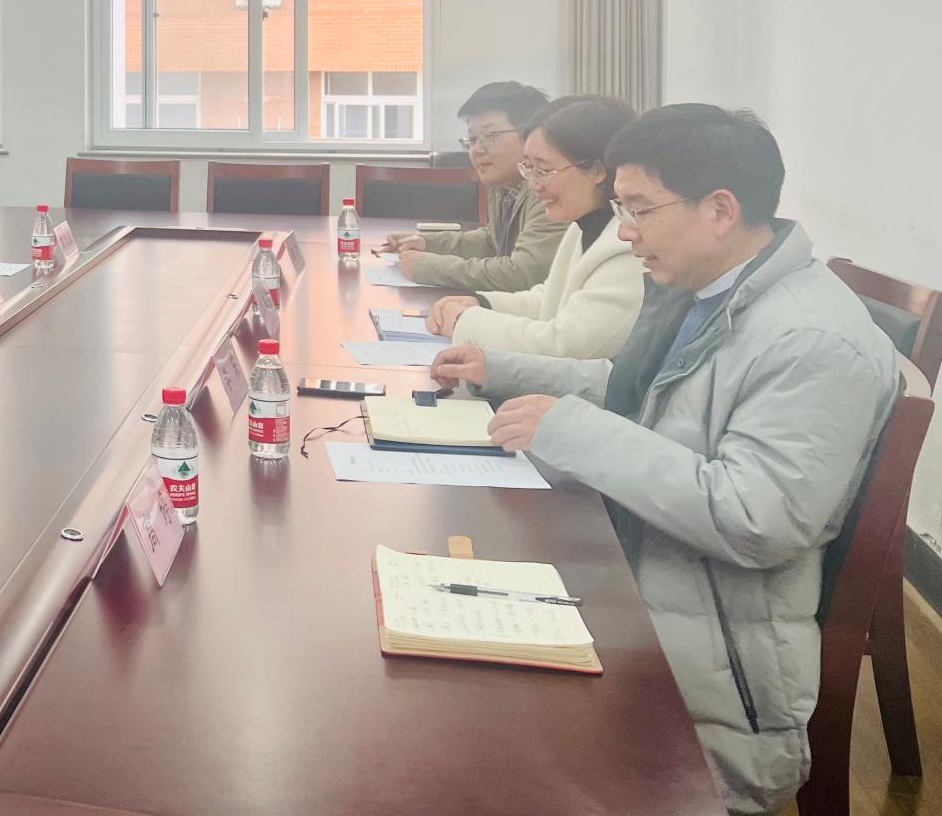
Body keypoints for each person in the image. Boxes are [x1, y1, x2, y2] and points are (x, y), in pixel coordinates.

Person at [428, 105, 899, 815]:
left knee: (446, 724)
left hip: (711, 691)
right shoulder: (717, 292)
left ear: (720, 210)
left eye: (639, 209)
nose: (623, 231)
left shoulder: (810, 340)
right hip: (652, 600)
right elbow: (642, 394)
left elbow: (754, 518)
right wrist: (505, 368)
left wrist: (573, 429)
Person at [423, 95, 642, 359]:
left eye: (544, 170)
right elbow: (550, 299)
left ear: (596, 170)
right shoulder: (585, 223)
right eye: (529, 169)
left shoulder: (628, 244)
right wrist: (482, 302)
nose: (534, 185)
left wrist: (465, 321)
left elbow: (566, 346)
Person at [381, 81, 562, 292]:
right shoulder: (503, 184)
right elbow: (493, 240)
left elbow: (521, 274)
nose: (476, 150)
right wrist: (426, 243)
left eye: (491, 136)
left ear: (531, 136)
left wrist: (428, 266)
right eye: (473, 139)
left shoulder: (549, 190)